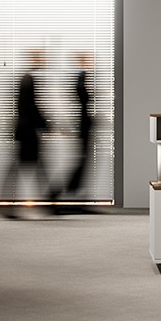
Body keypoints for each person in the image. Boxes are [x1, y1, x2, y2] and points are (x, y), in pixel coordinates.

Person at [0, 48, 52, 218]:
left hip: (26, 131)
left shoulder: (27, 78)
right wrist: (46, 125)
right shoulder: (28, 79)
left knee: (31, 168)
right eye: (40, 58)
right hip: (28, 132)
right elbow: (30, 107)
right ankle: (48, 203)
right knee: (29, 168)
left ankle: (47, 203)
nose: (43, 61)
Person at [53, 51, 98, 213]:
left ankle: (73, 198)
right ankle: (57, 194)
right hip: (83, 127)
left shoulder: (83, 77)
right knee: (80, 164)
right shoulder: (81, 78)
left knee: (82, 164)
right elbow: (81, 101)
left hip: (84, 126)